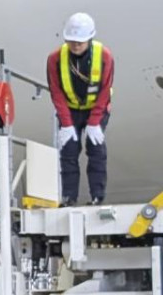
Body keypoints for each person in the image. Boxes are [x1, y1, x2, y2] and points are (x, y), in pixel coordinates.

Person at [47, 13, 114, 206]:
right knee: (68, 150)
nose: (76, 45)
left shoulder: (104, 56)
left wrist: (94, 123)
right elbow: (56, 92)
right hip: (70, 110)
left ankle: (97, 196)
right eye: (72, 41)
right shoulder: (55, 59)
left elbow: (105, 90)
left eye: (80, 42)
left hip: (97, 108)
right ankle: (69, 197)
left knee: (96, 148)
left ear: (90, 39)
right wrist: (66, 124)